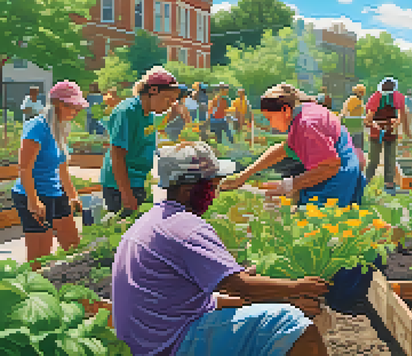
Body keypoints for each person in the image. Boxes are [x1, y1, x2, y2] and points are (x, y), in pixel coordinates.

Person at [113, 141, 329, 356]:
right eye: (212, 187)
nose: (214, 195)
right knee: (291, 324)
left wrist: (273, 296)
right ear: (189, 190)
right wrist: (298, 288)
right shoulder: (185, 226)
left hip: (149, 342)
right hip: (172, 345)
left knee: (269, 315)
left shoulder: (151, 221)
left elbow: (205, 300)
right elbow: (237, 286)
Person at [219, 83, 366, 208]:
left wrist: (289, 185)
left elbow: (330, 165)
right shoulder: (303, 112)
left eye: (270, 118)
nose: (271, 124)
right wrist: (243, 176)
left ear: (285, 110)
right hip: (341, 172)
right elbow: (283, 150)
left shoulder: (306, 124)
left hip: (339, 179)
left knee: (319, 229)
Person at [12, 81, 87, 271]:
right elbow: (24, 169)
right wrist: (33, 201)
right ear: (58, 104)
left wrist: (72, 195)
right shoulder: (36, 127)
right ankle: (35, 293)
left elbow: (62, 168)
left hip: (55, 192)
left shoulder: (60, 128)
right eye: (72, 107)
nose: (76, 111)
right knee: (41, 258)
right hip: (32, 193)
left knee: (73, 245)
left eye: (78, 107)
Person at [101, 66, 181, 218]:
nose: (170, 104)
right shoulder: (126, 112)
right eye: (168, 99)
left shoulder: (149, 114)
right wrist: (126, 194)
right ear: (153, 91)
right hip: (120, 186)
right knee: (124, 230)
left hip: (137, 181)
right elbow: (117, 156)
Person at [365, 77, 410, 196]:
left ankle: (388, 184)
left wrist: (396, 123)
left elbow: (401, 115)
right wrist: (377, 125)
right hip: (378, 132)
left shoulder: (397, 97)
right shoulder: (376, 98)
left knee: (388, 159)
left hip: (390, 131)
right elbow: (368, 120)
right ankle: (366, 181)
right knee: (375, 160)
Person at [340, 84, 366, 150]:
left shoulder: (359, 100)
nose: (362, 93)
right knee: (356, 145)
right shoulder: (353, 99)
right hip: (353, 125)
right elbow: (346, 111)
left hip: (356, 125)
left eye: (362, 91)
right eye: (360, 91)